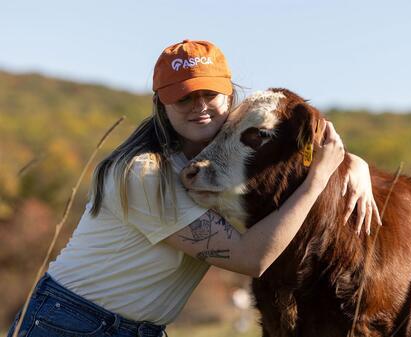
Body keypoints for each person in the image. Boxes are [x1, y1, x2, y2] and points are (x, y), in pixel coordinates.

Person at [8, 39, 381, 337]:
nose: (199, 107)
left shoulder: (215, 170)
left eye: (209, 95)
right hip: (71, 322)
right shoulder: (143, 174)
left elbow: (293, 138)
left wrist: (354, 165)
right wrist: (319, 177)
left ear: (230, 96)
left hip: (139, 329)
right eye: (183, 97)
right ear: (161, 104)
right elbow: (252, 259)